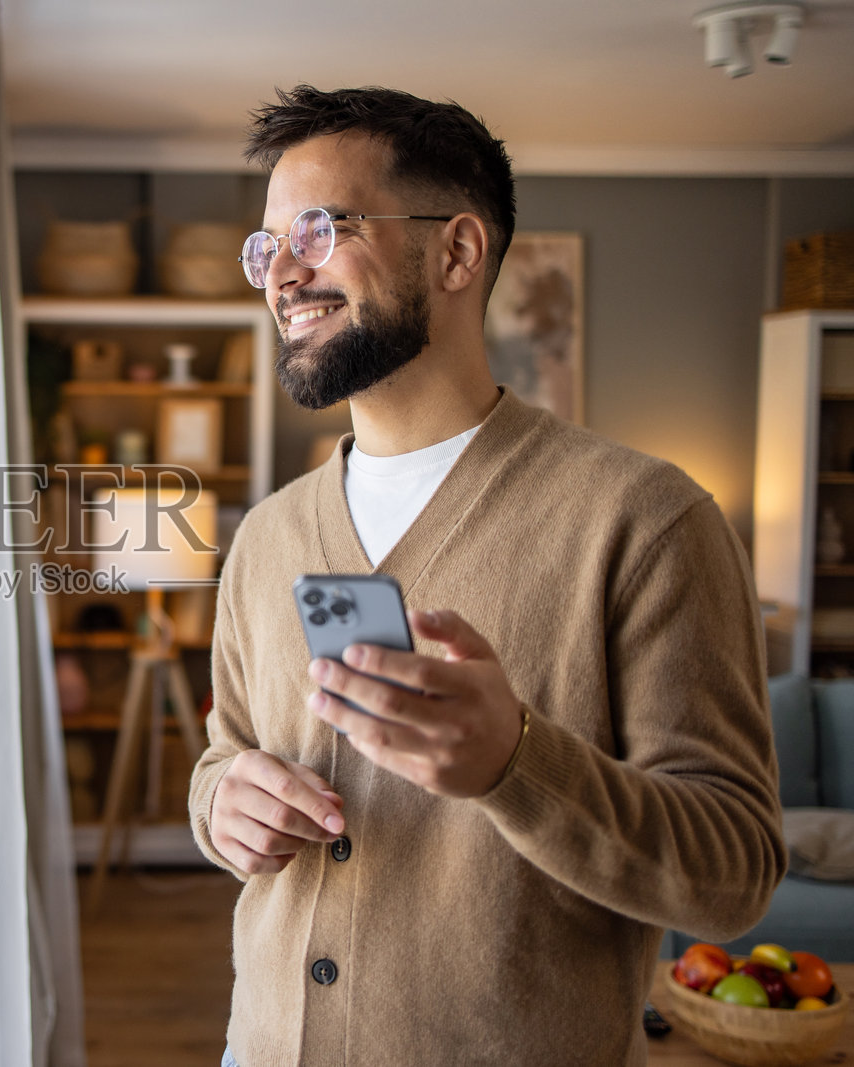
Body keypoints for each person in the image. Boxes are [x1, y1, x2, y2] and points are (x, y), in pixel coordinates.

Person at [187, 85, 785, 1066]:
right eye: (266, 246)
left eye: (317, 229)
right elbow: (224, 758)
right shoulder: (264, 537)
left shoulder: (645, 520)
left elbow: (733, 870)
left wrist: (516, 758)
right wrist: (221, 807)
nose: (281, 274)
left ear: (456, 251)